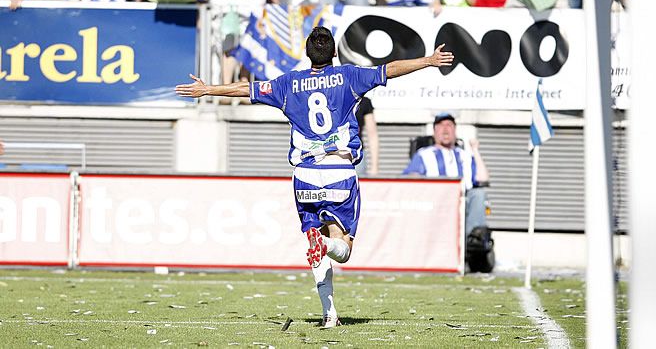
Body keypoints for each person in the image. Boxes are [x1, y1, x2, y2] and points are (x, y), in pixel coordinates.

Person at [175, 27, 454, 328]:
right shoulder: (349, 77)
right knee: (342, 248)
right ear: (334, 52)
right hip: (338, 170)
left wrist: (207, 90)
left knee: (314, 241)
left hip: (304, 175)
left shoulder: (288, 83)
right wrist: (428, 60)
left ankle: (328, 312)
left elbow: (247, 89)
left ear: (306, 54)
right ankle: (326, 248)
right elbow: (389, 70)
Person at [402, 112, 490, 247]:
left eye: (449, 125)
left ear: (455, 130)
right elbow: (409, 177)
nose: (445, 129)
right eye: (441, 125)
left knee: (479, 194)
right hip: (435, 201)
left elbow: (483, 179)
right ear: (434, 131)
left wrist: (475, 150)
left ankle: (473, 240)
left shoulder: (465, 155)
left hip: (461, 201)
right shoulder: (424, 154)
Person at [355, 96, 379, 176]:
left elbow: (372, 135)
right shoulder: (334, 98)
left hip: (357, 155)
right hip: (334, 154)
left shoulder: (364, 102)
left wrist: (374, 167)